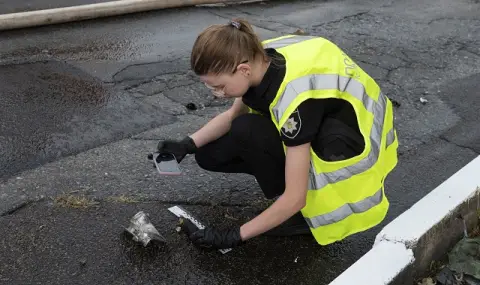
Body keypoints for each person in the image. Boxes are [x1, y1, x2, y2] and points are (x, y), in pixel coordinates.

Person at [154, 18, 399, 250]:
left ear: (243, 70)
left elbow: (296, 197)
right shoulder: (257, 54)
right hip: (328, 117)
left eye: (219, 86)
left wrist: (234, 235)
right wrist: (187, 145)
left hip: (348, 143)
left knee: (248, 131)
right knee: (209, 153)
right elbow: (232, 116)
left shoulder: (295, 99)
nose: (215, 94)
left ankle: (301, 220)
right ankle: (283, 184)